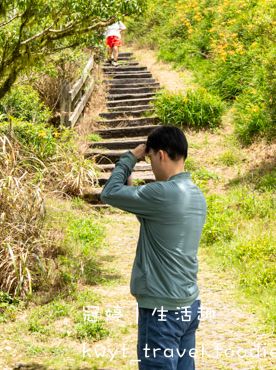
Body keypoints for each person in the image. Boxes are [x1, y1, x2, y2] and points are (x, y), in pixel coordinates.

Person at [100, 125, 207, 369]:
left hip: (162, 311)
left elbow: (109, 193)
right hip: (188, 306)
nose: (150, 164)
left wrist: (130, 158)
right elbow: (149, 216)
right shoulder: (196, 194)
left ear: (160, 155)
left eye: (149, 159)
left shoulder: (161, 192)